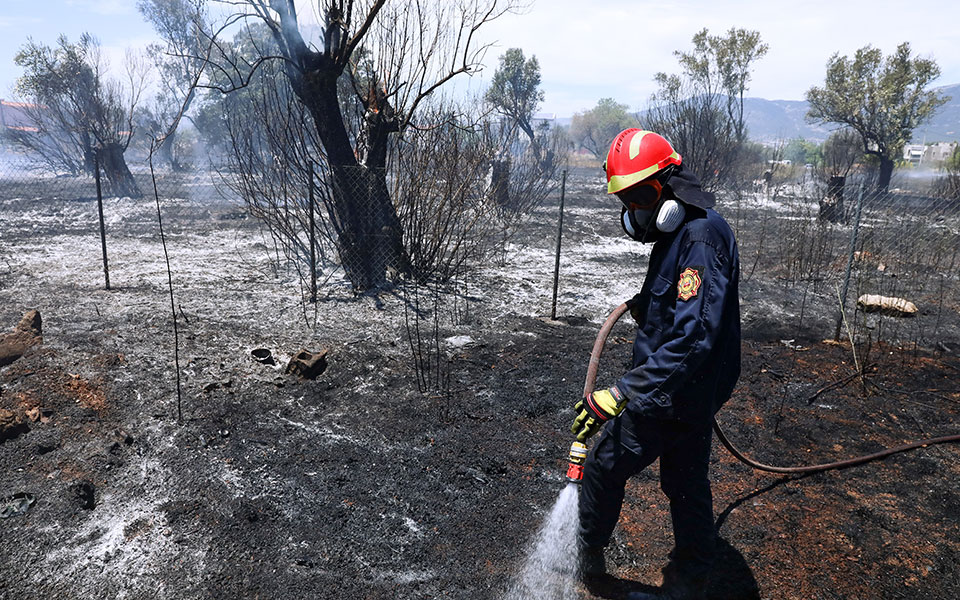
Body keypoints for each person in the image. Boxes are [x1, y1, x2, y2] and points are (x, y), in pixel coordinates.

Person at [570, 129, 741, 600]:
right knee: (684, 481)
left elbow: (693, 337)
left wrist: (621, 392)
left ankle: (585, 560)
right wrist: (649, 300)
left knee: (605, 466)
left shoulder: (701, 238)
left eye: (643, 196)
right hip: (685, 389)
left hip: (672, 392)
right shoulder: (682, 232)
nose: (636, 211)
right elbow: (683, 307)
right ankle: (691, 578)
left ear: (669, 186)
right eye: (627, 200)